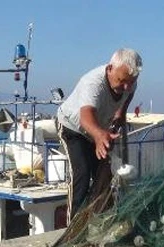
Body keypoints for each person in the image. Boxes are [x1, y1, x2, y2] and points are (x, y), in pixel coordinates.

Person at [56, 48, 141, 222]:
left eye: (131, 82)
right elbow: (86, 117)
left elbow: (129, 93)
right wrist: (99, 135)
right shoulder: (92, 83)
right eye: (121, 81)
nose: (126, 87)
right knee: (82, 173)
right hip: (73, 128)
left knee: (104, 176)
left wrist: (121, 112)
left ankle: (99, 221)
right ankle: (73, 229)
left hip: (98, 131)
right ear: (110, 69)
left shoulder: (129, 82)